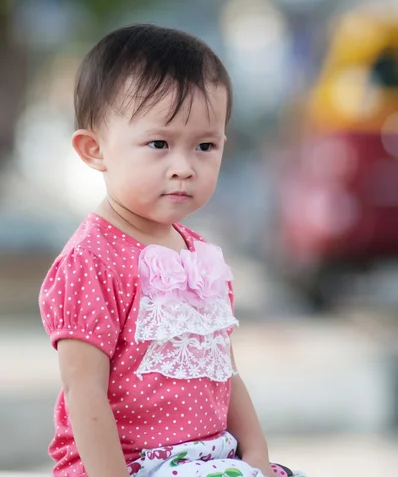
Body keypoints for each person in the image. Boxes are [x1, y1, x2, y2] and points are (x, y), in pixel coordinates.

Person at [39, 24, 306, 477]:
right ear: (94, 149)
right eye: (159, 144)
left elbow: (225, 370)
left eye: (205, 145)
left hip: (209, 458)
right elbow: (83, 390)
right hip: (129, 465)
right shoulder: (94, 259)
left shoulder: (200, 256)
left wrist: (256, 452)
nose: (183, 167)